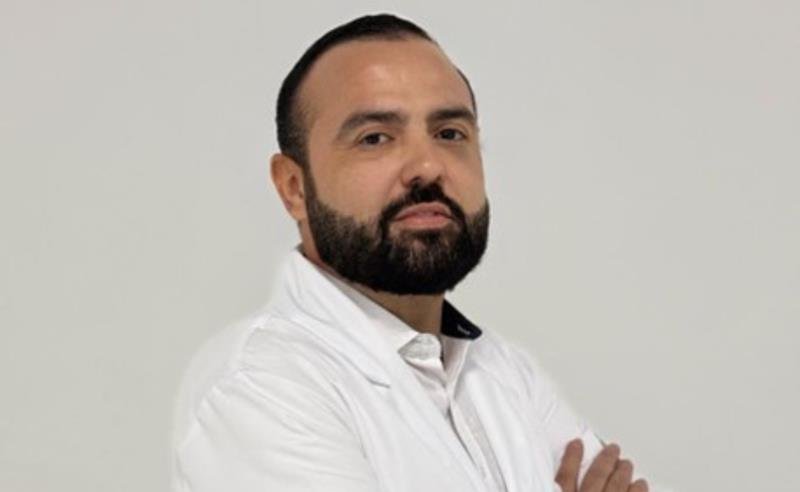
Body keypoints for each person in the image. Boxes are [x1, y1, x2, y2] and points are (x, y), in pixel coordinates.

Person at [171, 13, 662, 492]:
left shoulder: (507, 373)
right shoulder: (260, 386)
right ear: (294, 187)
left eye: (449, 134)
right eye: (375, 138)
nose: (427, 166)